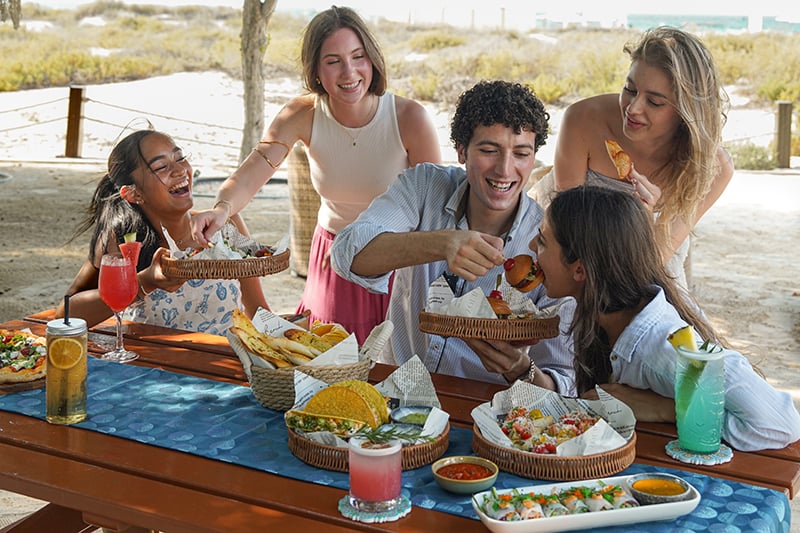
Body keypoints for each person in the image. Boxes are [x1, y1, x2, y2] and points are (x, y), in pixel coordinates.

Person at [190, 6, 441, 344]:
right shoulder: (302, 113)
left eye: (358, 56)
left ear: (373, 60)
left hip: (397, 261)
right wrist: (221, 208)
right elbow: (254, 170)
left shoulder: (410, 118)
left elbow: (435, 211)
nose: (349, 71)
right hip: (332, 259)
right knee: (323, 360)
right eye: (333, 60)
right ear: (316, 70)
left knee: (395, 367)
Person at [331, 80, 575, 393]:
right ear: (461, 151)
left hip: (481, 407)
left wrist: (519, 369)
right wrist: (441, 244)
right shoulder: (424, 186)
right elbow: (346, 254)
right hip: (395, 390)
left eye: (521, 154)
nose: (505, 169)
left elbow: (563, 383)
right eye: (489, 150)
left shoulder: (547, 241)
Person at [534, 185, 800, 451]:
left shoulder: (663, 347)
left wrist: (668, 409)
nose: (531, 246)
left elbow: (781, 422)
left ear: (580, 269)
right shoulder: (598, 314)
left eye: (543, 241)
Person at [534, 26, 733, 289]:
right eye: (630, 89)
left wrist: (639, 222)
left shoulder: (712, 167)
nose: (633, 108)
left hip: (646, 259)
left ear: (687, 113)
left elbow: (653, 262)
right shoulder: (583, 119)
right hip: (568, 247)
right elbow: (567, 229)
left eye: (655, 102)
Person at [56, 130, 269, 335]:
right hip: (153, 368)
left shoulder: (225, 226)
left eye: (180, 157)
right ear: (133, 193)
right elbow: (64, 317)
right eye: (160, 167)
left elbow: (259, 311)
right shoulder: (124, 240)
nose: (180, 170)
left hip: (223, 364)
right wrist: (144, 282)